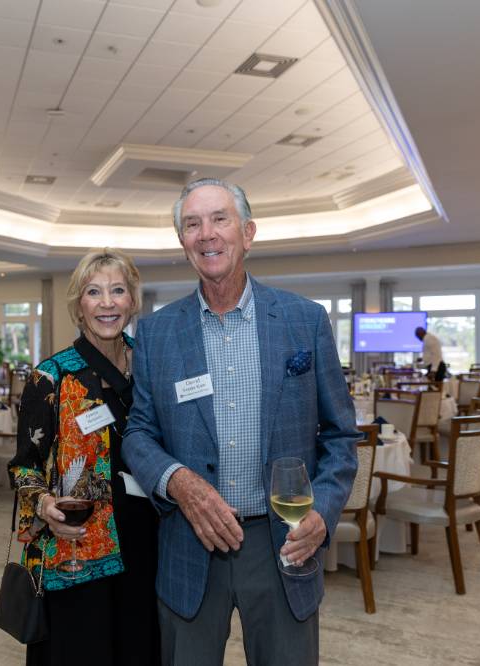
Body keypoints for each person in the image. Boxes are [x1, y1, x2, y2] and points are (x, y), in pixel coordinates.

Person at [122, 178, 360, 666]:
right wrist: (179, 483)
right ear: (183, 243)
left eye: (219, 219)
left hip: (282, 543)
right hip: (191, 540)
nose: (206, 233)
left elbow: (340, 436)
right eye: (192, 224)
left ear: (247, 233)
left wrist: (325, 510)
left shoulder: (304, 320)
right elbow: (138, 432)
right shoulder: (156, 333)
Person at [8, 248, 160, 666]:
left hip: (150, 540)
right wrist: (44, 505)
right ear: (79, 304)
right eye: (94, 292)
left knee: (142, 647)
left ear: (133, 300)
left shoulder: (152, 366)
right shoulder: (52, 377)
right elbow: (24, 467)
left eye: (118, 290)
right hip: (80, 545)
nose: (107, 302)